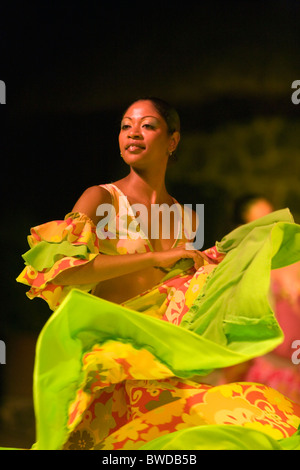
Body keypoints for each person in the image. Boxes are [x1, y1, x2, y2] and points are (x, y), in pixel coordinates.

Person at [14, 98, 300, 450]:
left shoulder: (183, 216)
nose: (133, 133)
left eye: (147, 125)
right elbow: (64, 271)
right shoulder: (102, 198)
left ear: (173, 141)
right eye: (125, 125)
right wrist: (154, 257)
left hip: (161, 360)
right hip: (108, 356)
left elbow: (179, 287)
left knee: (234, 427)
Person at [222, 195, 300, 403]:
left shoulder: (292, 255)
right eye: (261, 222)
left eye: (272, 218)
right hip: (263, 365)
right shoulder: (242, 265)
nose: (271, 226)